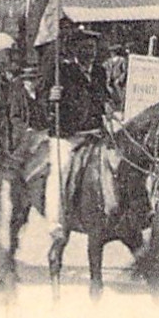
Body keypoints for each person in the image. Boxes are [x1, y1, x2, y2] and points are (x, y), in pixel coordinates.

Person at [36, 25, 117, 241]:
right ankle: (56, 223)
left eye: (92, 47)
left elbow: (104, 96)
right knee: (60, 171)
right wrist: (51, 97)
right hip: (68, 135)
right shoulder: (61, 72)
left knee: (121, 160)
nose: (89, 52)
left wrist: (108, 105)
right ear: (75, 51)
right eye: (84, 48)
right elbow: (41, 99)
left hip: (96, 132)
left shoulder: (99, 72)